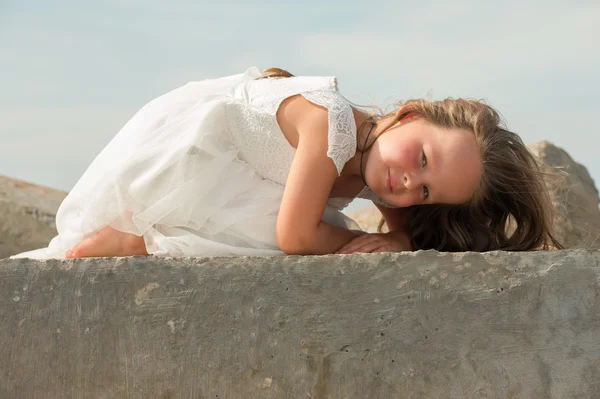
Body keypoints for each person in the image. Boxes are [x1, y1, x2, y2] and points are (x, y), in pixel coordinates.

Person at [12, 66, 561, 259]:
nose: (407, 182)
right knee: (286, 244)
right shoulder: (333, 126)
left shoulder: (382, 166)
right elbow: (296, 237)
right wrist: (356, 243)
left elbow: (400, 218)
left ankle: (147, 235)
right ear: (406, 114)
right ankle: (141, 235)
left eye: (425, 192)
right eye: (420, 158)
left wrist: (400, 238)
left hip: (234, 174)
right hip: (189, 160)